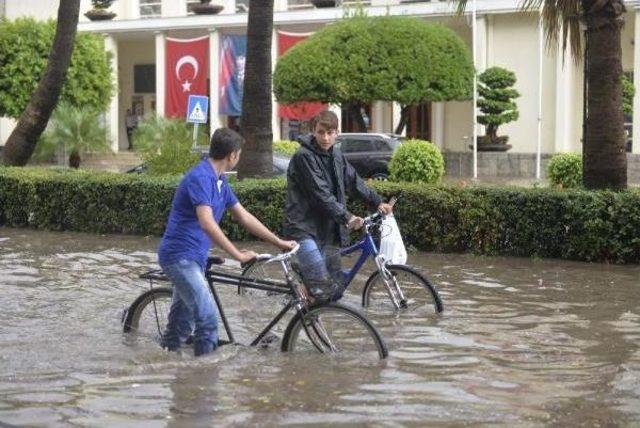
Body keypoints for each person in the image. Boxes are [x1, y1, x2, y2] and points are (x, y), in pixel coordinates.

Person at [158, 127, 296, 356]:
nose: (238, 158)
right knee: (208, 319)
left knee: (180, 325)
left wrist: (278, 242)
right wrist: (238, 255)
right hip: (180, 258)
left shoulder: (220, 181)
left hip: (196, 257)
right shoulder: (200, 177)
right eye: (239, 154)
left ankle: (168, 363)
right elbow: (207, 223)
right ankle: (205, 380)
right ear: (232, 155)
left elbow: (244, 217)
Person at [284, 110, 393, 300]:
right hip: (303, 229)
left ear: (337, 133)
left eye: (330, 132)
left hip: (328, 230)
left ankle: (309, 298)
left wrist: (378, 202)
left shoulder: (336, 154)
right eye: (321, 132)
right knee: (322, 288)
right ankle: (301, 315)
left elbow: (354, 182)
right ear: (313, 131)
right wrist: (348, 217)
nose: (325, 138)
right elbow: (321, 194)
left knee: (335, 290)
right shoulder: (303, 156)